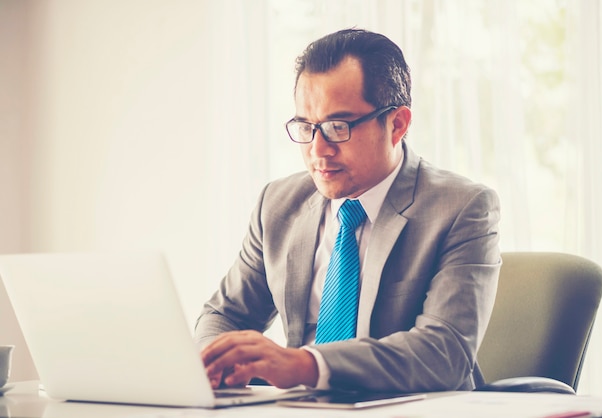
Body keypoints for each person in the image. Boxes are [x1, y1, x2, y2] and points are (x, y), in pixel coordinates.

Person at [195, 28, 501, 393]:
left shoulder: (461, 208)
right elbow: (225, 314)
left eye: (338, 127)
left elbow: (444, 354)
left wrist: (307, 365)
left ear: (397, 124)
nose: (317, 150)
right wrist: (211, 363)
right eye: (306, 126)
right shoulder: (277, 204)